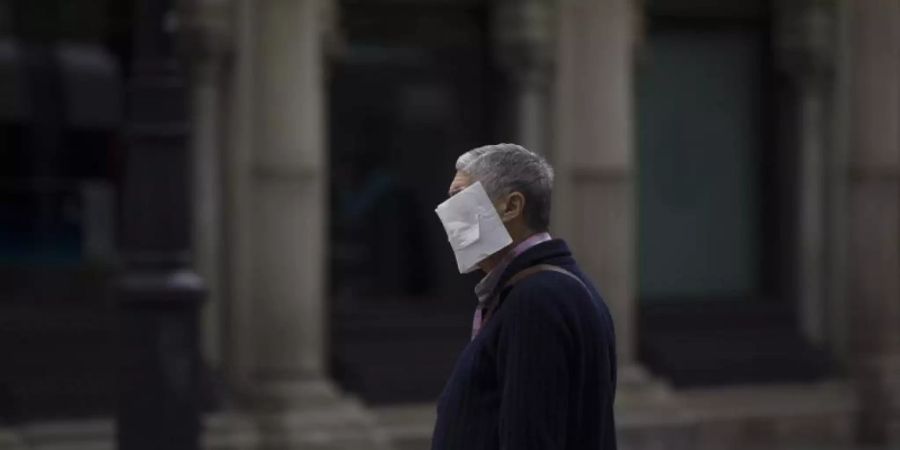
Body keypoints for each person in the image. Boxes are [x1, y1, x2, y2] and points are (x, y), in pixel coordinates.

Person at [431, 143, 617, 450]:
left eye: (458, 197)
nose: (447, 214)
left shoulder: (537, 299)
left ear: (511, 206)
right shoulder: (550, 289)